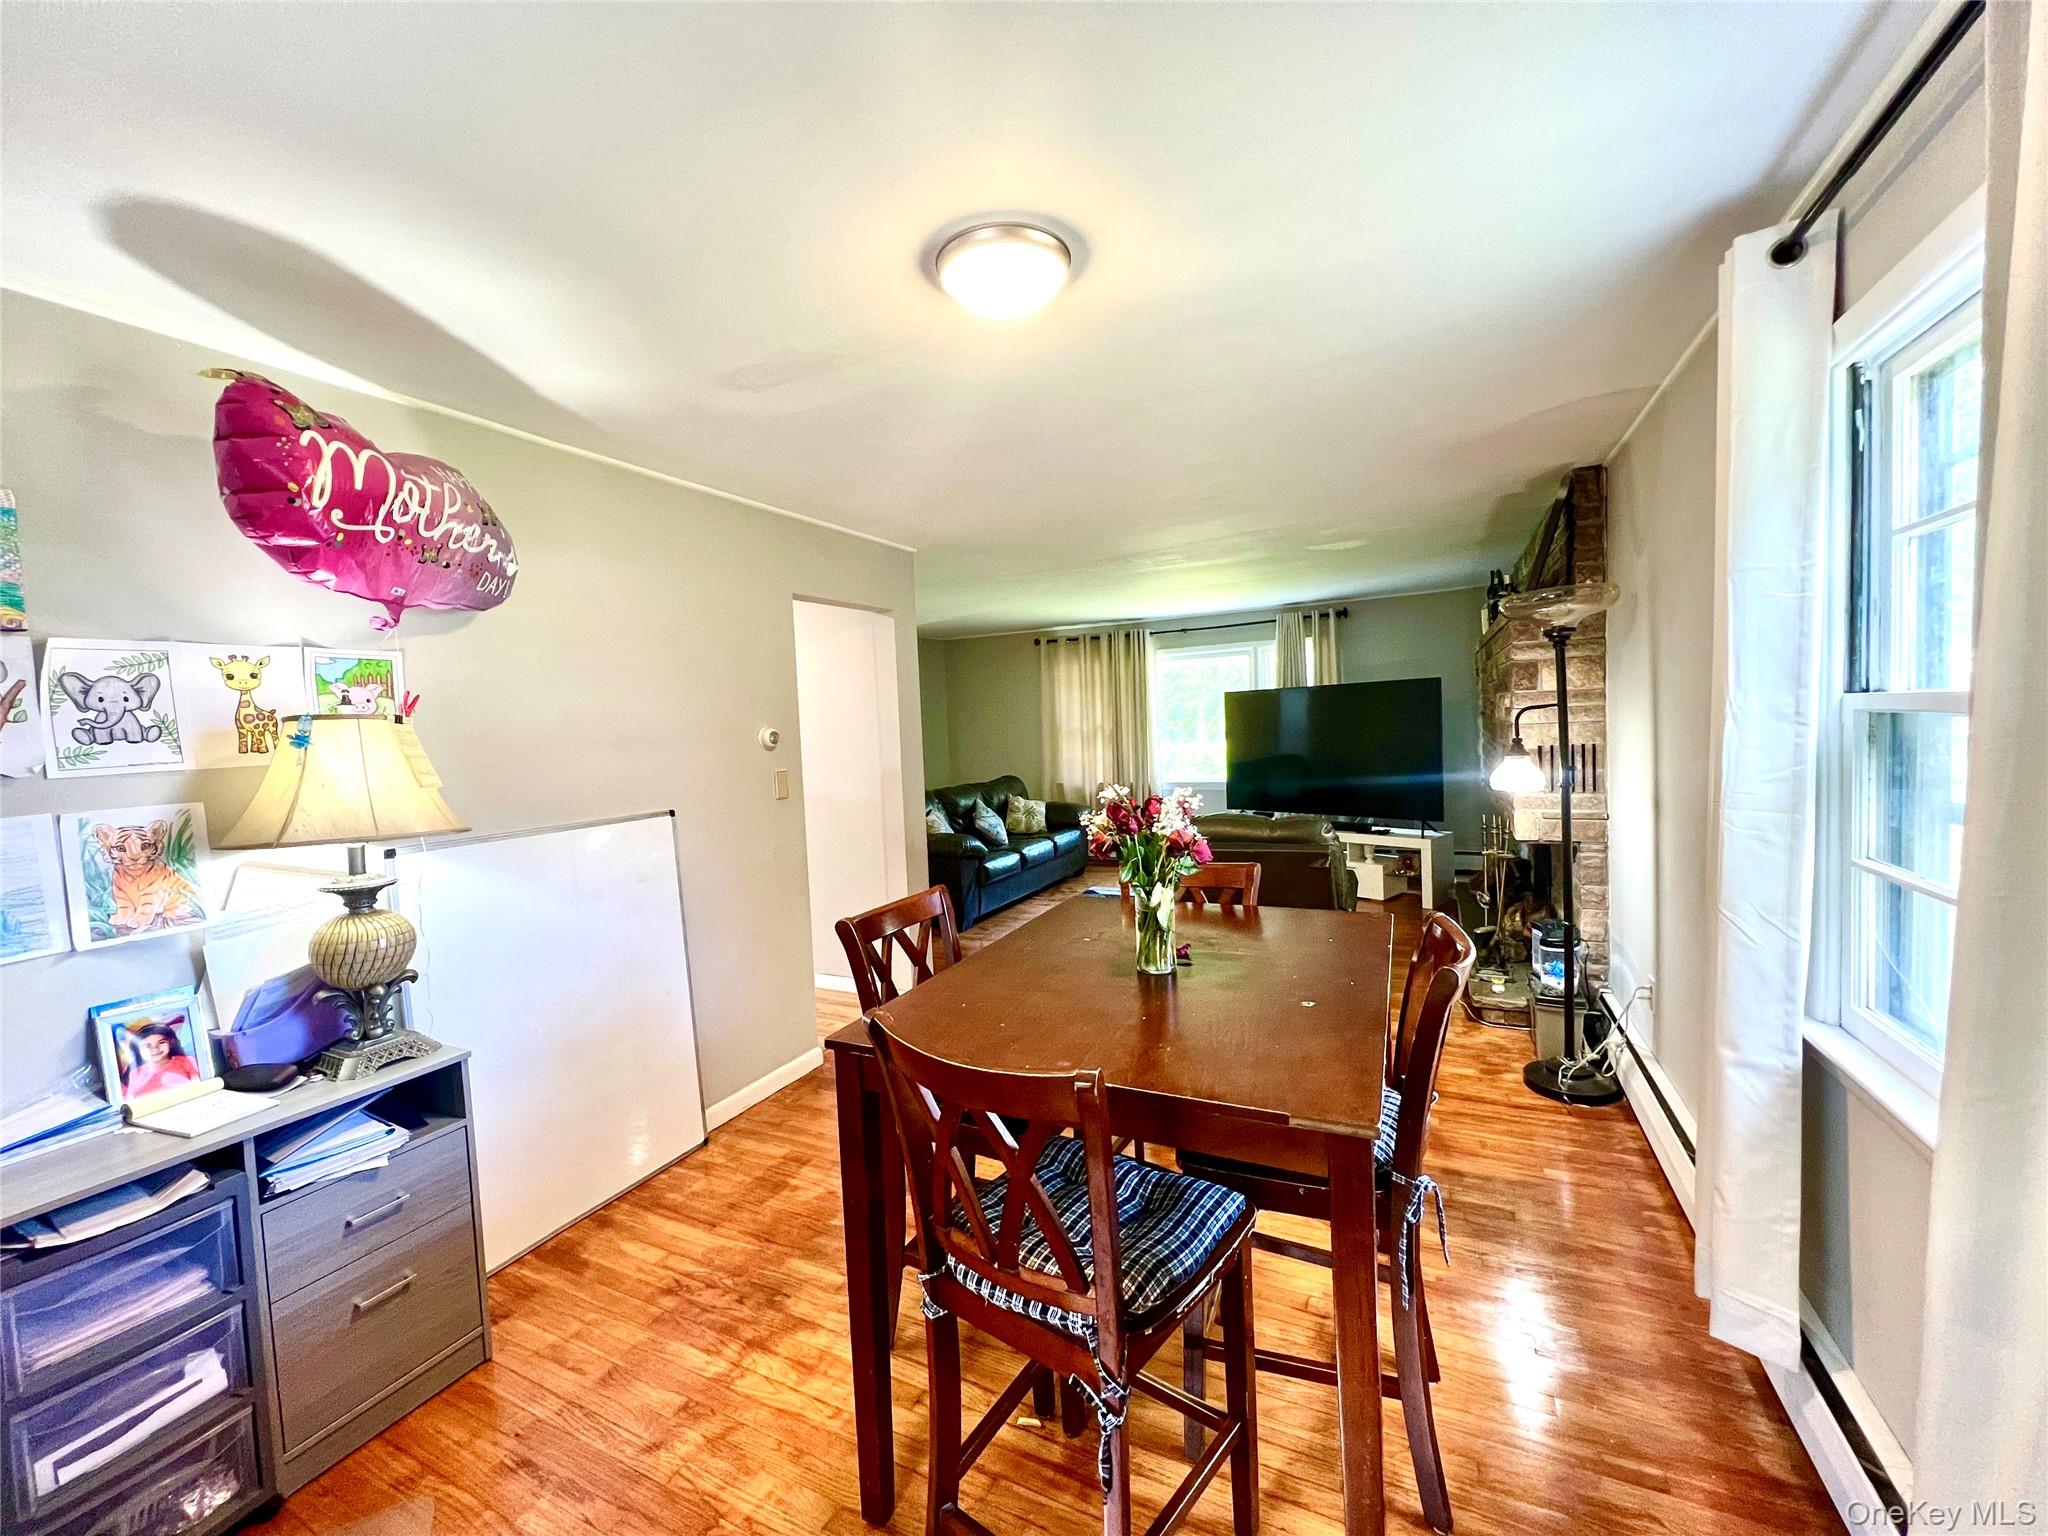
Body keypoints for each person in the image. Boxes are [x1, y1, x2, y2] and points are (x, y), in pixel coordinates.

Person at [122, 1020, 202, 1098]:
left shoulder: (187, 1061)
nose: (155, 1049)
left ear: (171, 1043)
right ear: (138, 1049)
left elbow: (200, 1089)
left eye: (161, 1042)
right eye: (147, 1046)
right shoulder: (135, 1073)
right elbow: (130, 1101)